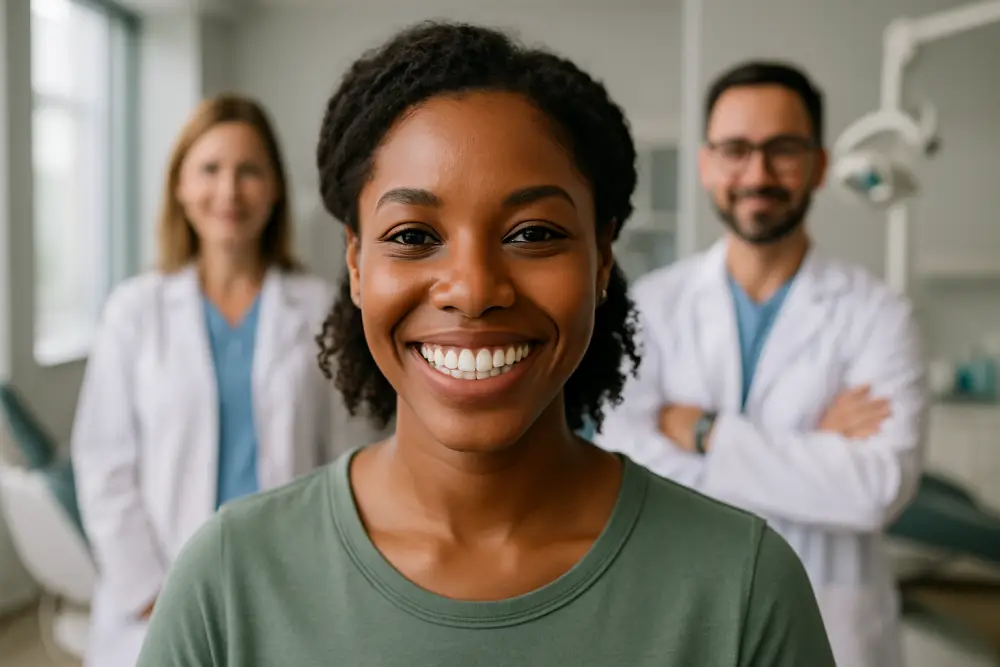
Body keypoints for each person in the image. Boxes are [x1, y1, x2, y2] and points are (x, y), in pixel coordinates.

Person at [135, 24, 836, 666]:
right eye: (412, 235)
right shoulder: (228, 579)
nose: (472, 289)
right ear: (355, 264)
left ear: (600, 261)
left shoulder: (742, 590)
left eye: (533, 233)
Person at [596, 61, 927, 667]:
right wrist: (810, 450)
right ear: (706, 164)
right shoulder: (652, 306)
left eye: (782, 149)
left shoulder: (879, 315)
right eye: (736, 149)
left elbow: (874, 489)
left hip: (833, 629)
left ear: (820, 165)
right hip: (681, 614)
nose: (757, 172)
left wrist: (704, 432)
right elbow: (624, 470)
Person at [71, 94, 339, 667]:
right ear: (180, 186)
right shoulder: (134, 310)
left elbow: (348, 456)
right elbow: (103, 462)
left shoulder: (319, 309)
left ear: (274, 188)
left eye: (249, 171)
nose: (229, 190)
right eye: (210, 169)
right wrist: (147, 592)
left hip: (287, 583)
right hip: (158, 590)